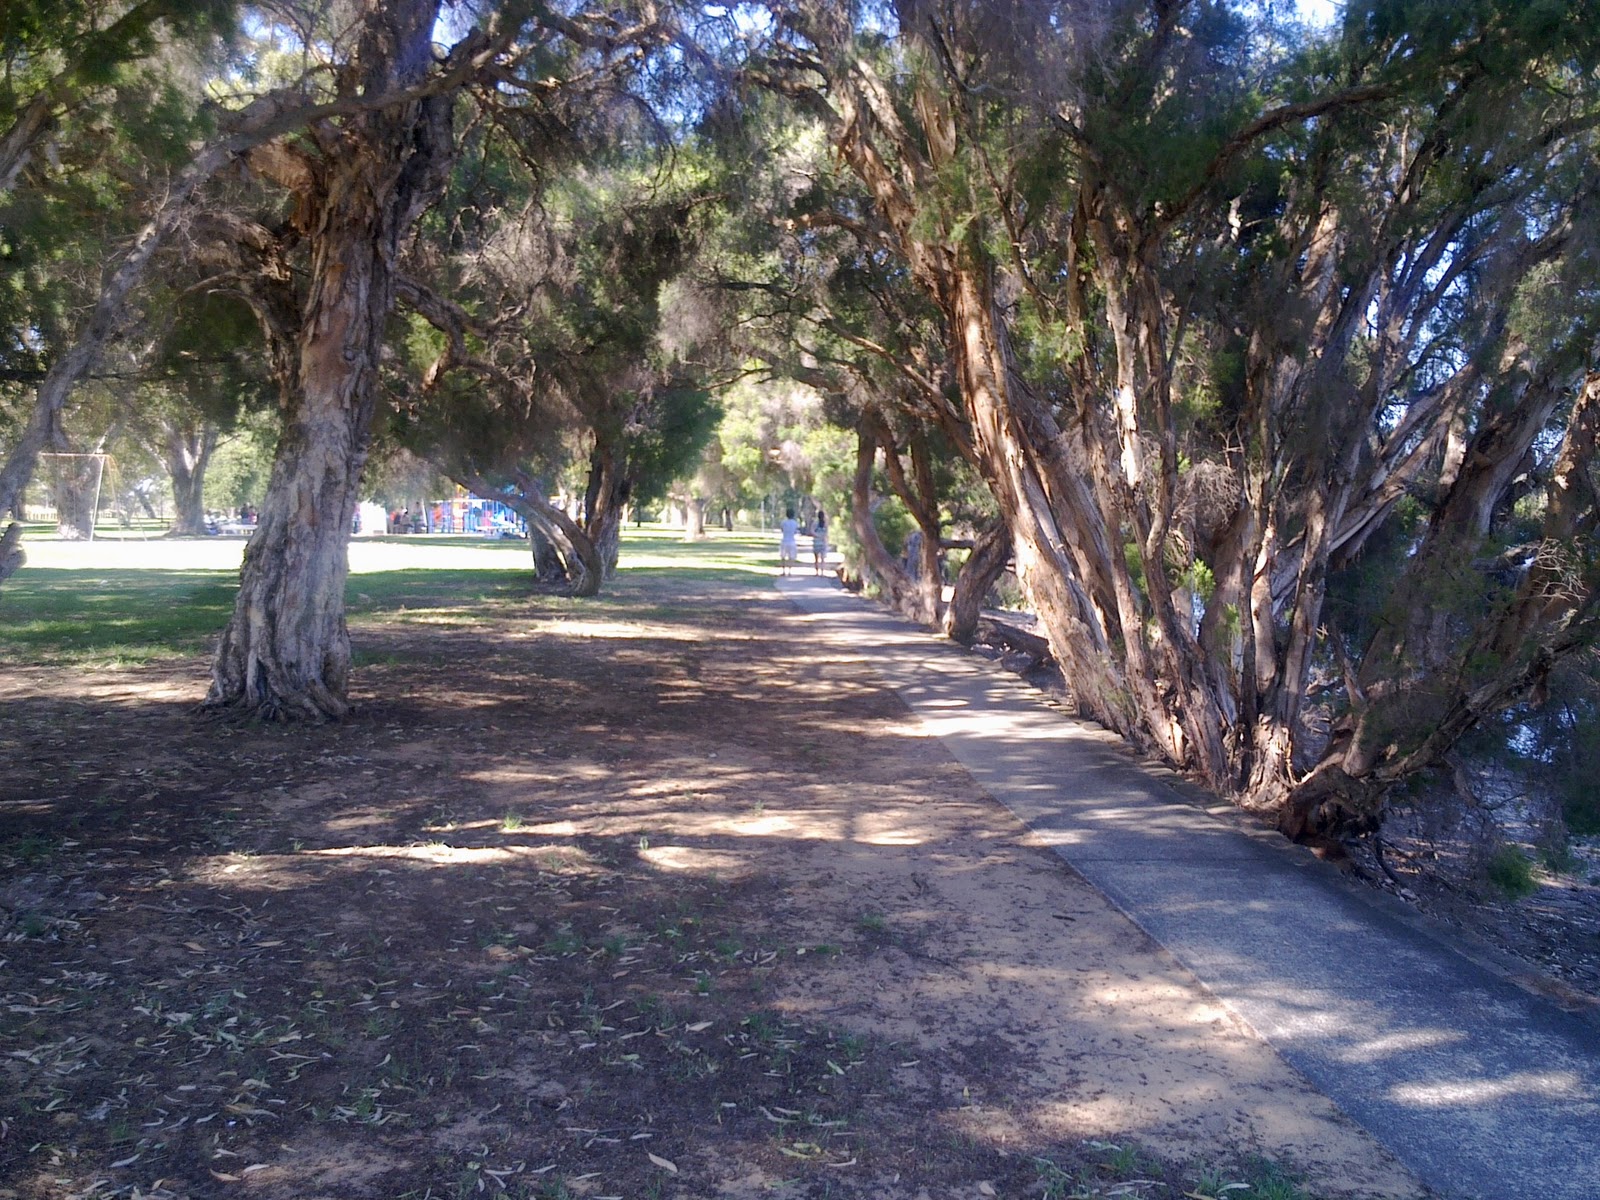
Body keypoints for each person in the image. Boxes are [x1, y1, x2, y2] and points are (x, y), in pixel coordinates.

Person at [778, 507, 799, 576]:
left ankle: (783, 571)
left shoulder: (783, 522)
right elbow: (796, 531)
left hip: (784, 541)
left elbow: (782, 530)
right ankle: (790, 571)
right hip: (792, 541)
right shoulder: (795, 523)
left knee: (783, 556)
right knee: (791, 557)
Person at [811, 508, 828, 576]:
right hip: (823, 542)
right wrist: (823, 537)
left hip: (816, 542)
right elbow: (826, 533)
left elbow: (812, 531)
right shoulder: (825, 524)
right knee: (822, 558)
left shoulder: (815, 523)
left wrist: (817, 535)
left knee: (816, 558)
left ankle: (817, 572)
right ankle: (822, 572)